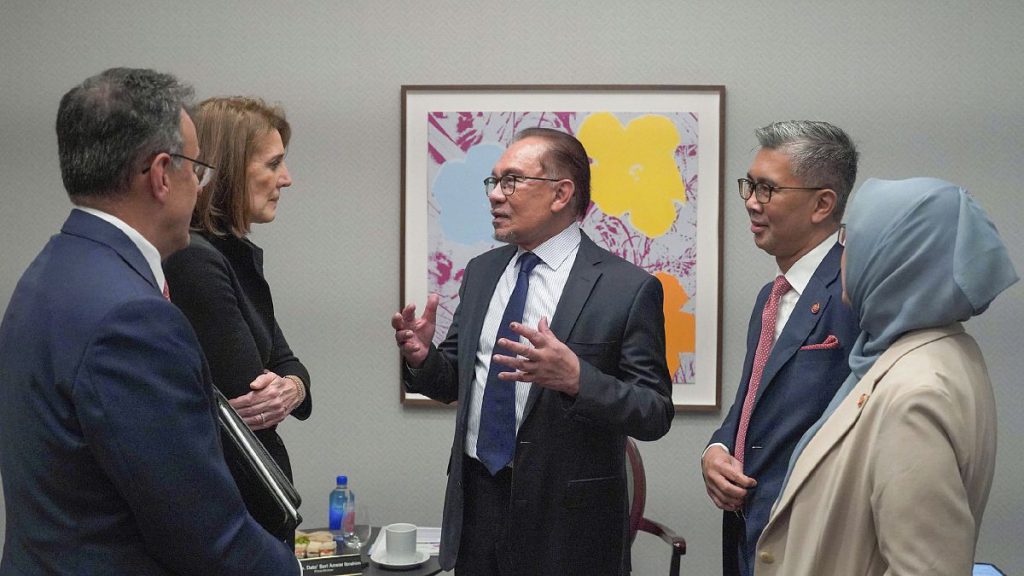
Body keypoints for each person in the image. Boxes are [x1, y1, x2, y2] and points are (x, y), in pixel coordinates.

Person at [0, 68, 298, 575]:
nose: (200, 187)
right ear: (163, 174)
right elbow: (205, 532)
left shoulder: (48, 275)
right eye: (196, 169)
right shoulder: (133, 318)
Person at [391, 127, 674, 575]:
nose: (494, 196)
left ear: (561, 193)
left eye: (511, 181)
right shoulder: (482, 273)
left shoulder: (628, 288)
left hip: (569, 525)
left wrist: (579, 378)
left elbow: (654, 411)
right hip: (477, 506)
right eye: (493, 181)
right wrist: (423, 357)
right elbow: (452, 383)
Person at [755, 177, 1017, 575]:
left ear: (894, 257)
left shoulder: (917, 392)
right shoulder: (931, 350)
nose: (841, 255)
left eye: (850, 240)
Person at [702, 120, 861, 576]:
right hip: (752, 534)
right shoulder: (771, 297)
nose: (751, 201)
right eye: (749, 185)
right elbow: (755, 402)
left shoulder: (856, 290)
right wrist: (716, 449)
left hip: (816, 541)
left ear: (822, 204)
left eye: (768, 189)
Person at [163, 97, 311, 544]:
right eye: (274, 164)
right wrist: (282, 387)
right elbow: (252, 395)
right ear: (226, 171)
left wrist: (294, 387)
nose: (286, 179)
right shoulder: (194, 259)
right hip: (230, 514)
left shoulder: (232, 255)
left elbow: (289, 366)